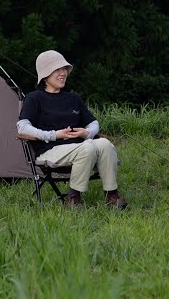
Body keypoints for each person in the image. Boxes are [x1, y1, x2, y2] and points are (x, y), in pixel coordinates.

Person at [17, 50, 128, 208]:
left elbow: (93, 123)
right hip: (51, 149)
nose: (63, 73)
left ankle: (112, 196)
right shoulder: (35, 98)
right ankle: (74, 198)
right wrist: (54, 135)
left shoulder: (73, 98)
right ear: (45, 75)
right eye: (57, 70)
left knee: (104, 143)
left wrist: (87, 133)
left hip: (80, 146)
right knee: (87, 148)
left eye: (64, 69)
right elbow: (22, 127)